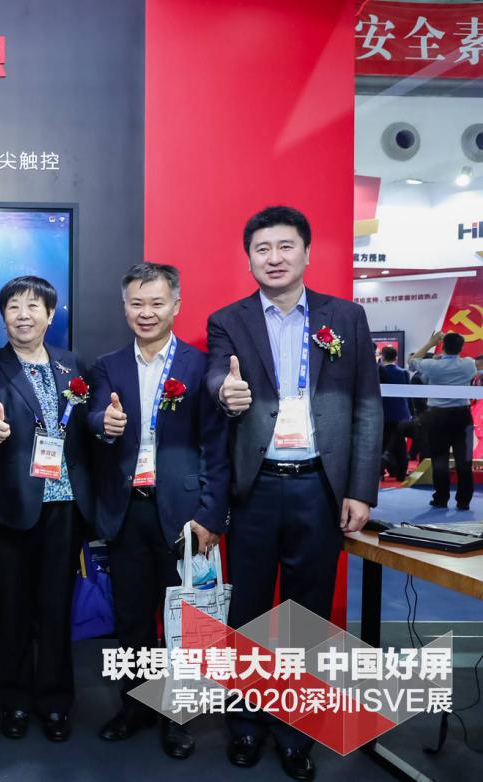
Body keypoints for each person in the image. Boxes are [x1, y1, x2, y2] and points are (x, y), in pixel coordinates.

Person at [207, 206, 381, 781]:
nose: (274, 258)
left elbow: (367, 405)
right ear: (249, 259)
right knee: (249, 611)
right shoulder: (228, 320)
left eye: (285, 246)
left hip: (319, 487)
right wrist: (226, 391)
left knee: (307, 616)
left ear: (307, 253)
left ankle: (296, 732)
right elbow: (216, 375)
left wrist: (361, 489)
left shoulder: (346, 317)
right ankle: (246, 725)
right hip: (255, 489)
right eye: (262, 249)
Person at [89, 262, 228, 760]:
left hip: (184, 513)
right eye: (136, 303)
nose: (145, 312)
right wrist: (103, 423)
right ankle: (135, 707)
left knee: (184, 622)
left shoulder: (200, 366)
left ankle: (178, 716)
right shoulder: (108, 365)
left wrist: (211, 515)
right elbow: (94, 415)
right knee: (131, 618)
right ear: (124, 307)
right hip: (127, 509)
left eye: (156, 303)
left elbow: (217, 446)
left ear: (176, 306)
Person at [0, 276, 94, 743]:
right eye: (14, 307)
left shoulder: (72, 365)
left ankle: (56, 702)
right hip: (14, 504)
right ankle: (15, 700)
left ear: (50, 314)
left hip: (65, 504)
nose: (23, 315)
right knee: (14, 607)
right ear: (3, 316)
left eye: (33, 306)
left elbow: (90, 421)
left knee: (57, 607)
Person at [408, 331, 475, 509]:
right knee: (465, 460)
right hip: (463, 415)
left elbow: (412, 361)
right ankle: (464, 501)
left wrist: (431, 343)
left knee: (439, 459)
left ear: (443, 346)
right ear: (461, 347)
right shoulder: (468, 364)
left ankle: (441, 498)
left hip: (437, 416)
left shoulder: (432, 365)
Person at [379, 346, 411, 482]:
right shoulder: (404, 373)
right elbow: (408, 394)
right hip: (401, 413)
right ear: (396, 358)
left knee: (382, 442)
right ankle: (401, 473)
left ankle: (380, 472)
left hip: (383, 413)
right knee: (400, 444)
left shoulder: (378, 372)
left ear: (382, 357)